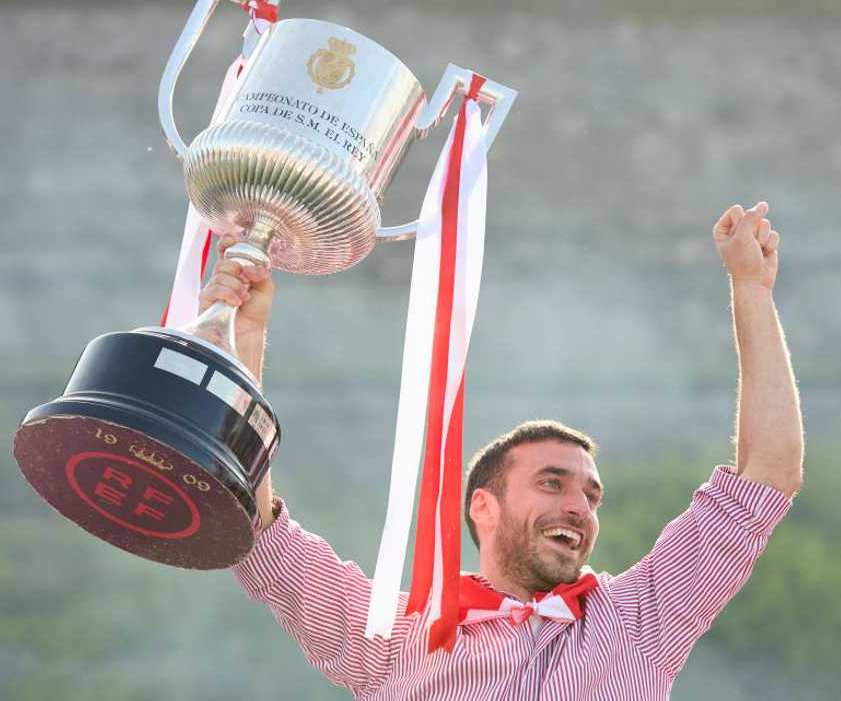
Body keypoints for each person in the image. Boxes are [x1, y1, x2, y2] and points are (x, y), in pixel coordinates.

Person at [200, 201, 804, 700]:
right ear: (482, 507)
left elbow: (768, 473)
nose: (579, 506)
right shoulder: (393, 636)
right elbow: (257, 534)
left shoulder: (638, 621)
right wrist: (243, 335)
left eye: (591, 495)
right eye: (552, 483)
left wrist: (751, 288)